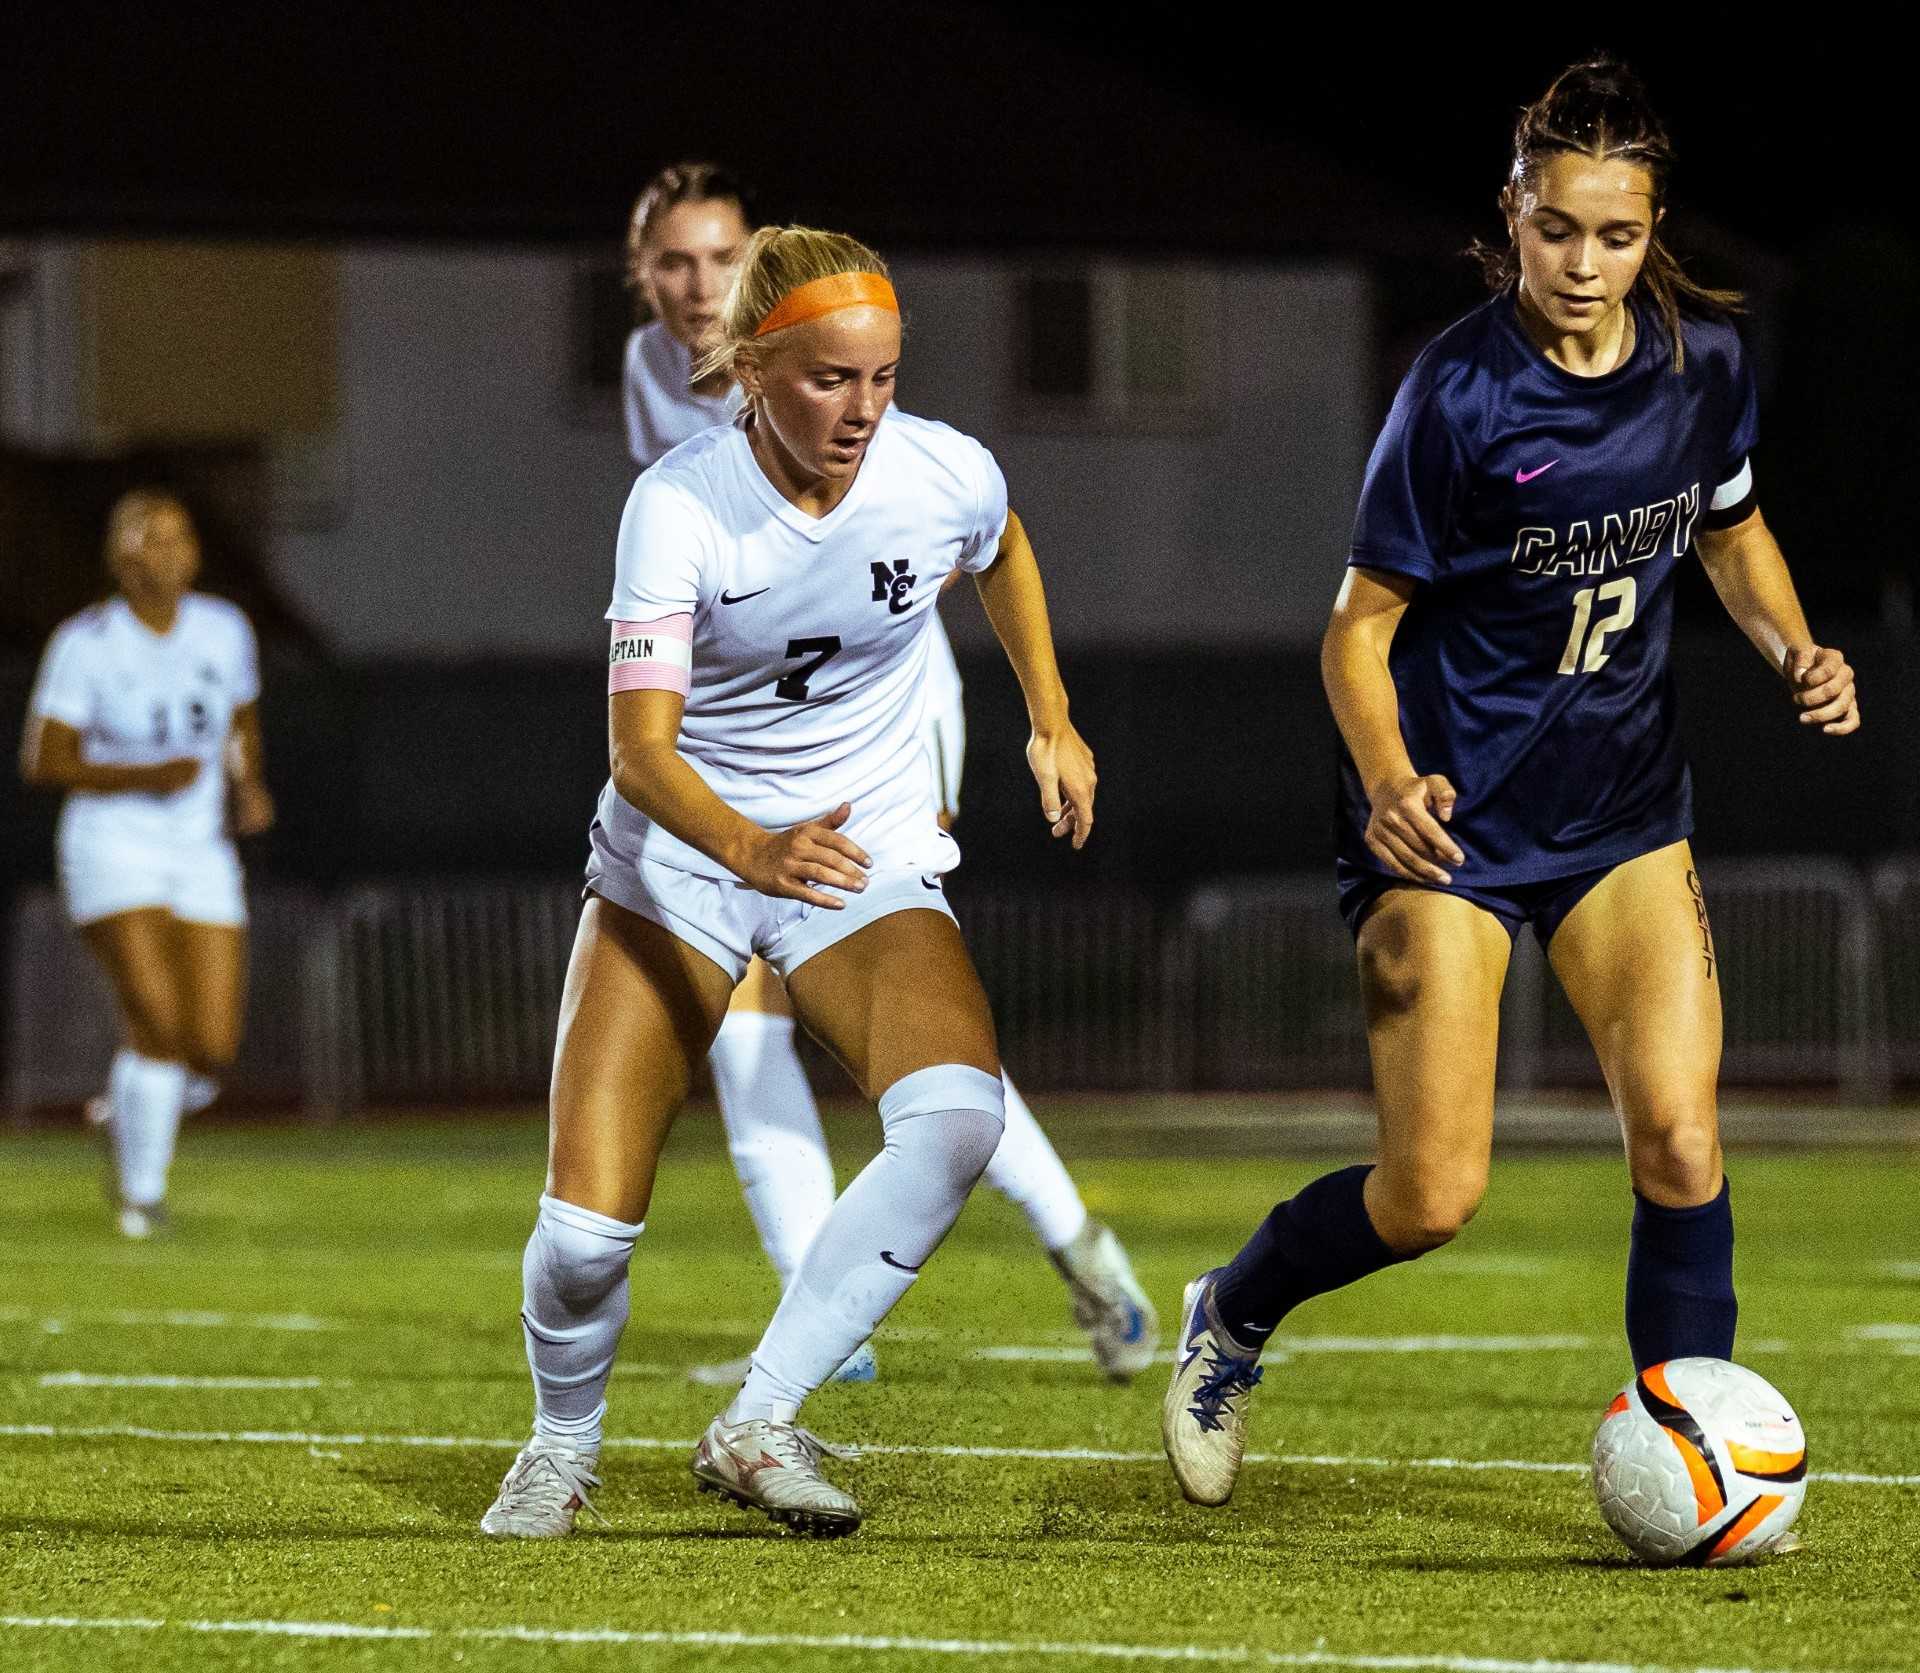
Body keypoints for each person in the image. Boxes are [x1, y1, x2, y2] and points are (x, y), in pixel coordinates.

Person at [1162, 58, 1859, 1517]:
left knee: (1679, 1135)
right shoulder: (1458, 394)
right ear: (1514, 216)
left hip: (1620, 813)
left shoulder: (1702, 360)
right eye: (1557, 232)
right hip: (1454, 829)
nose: (1584, 265)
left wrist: (1798, 647)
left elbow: (1730, 531)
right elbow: (1358, 627)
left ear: (1655, 226)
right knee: (1432, 1198)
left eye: (1615, 234)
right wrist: (1388, 775)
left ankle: (1697, 1459)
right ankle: (1233, 1309)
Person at [483, 225, 1098, 1541]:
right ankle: (558, 1447)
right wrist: (751, 848)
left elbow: (1002, 548)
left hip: (856, 853)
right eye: (830, 380)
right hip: (683, 867)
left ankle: (758, 1417)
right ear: (755, 370)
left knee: (955, 1120)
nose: (863, 410)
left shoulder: (938, 472)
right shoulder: (680, 503)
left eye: (881, 377)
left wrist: (1051, 714)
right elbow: (637, 752)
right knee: (588, 1238)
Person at [621, 162, 1157, 1388]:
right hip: (745, 739)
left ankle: (1078, 1253)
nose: (700, 285)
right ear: (641, 274)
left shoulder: (826, 363)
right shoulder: (656, 375)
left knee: (908, 1021)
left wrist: (1050, 718)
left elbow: (972, 531)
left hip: (879, 725)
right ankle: (832, 1321)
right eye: (674, 263)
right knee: (748, 1025)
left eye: (721, 259)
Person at [19, 490, 274, 1238]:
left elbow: (239, 720)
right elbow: (45, 757)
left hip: (199, 848)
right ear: (120, 556)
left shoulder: (224, 629)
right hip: (112, 844)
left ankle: (124, 1113)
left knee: (213, 1041)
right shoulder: (87, 642)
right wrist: (140, 774)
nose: (167, 551)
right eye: (148, 538)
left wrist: (248, 783)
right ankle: (142, 1193)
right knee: (157, 1021)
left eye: (179, 536)